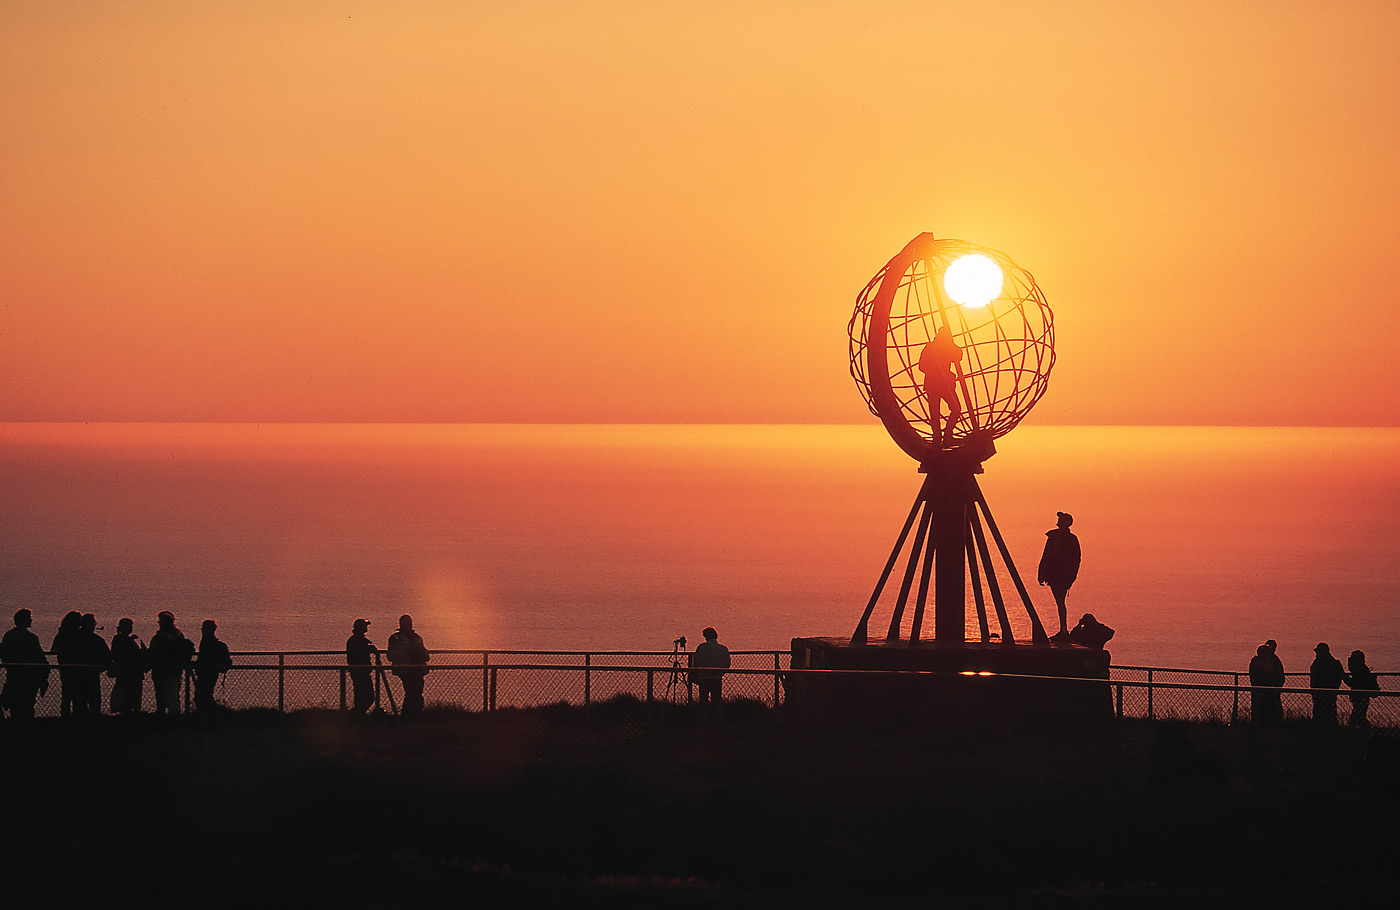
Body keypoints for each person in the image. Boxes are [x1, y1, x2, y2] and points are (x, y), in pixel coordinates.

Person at [1038, 512, 1081, 639]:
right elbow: (1046, 556)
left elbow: (1075, 560)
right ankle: (1063, 629)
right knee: (1059, 601)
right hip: (1053, 573)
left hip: (1062, 575)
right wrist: (1041, 573)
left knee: (1060, 602)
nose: (1058, 520)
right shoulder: (1053, 537)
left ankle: (1063, 630)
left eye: (1060, 519)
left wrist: (1070, 577)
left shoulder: (1071, 539)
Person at [0, 608, 50, 720]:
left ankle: (16, 730)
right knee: (27, 706)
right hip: (29, 679)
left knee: (15, 707)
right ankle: (27, 731)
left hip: (13, 676)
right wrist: (44, 674)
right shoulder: (31, 638)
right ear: (24, 620)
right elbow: (40, 658)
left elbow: (5, 654)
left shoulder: (8, 635)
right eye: (29, 618)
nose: (31, 620)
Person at [918, 326, 963, 447]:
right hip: (937, 385)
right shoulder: (932, 348)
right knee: (947, 410)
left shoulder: (946, 348)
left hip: (941, 385)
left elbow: (958, 356)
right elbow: (922, 366)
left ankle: (944, 436)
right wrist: (937, 372)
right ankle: (940, 437)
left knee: (954, 409)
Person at [148, 611, 194, 715]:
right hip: (173, 671)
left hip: (163, 671)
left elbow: (154, 653)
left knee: (164, 697)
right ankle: (173, 718)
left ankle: (168, 718)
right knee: (172, 696)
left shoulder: (160, 638)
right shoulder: (178, 636)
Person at [386, 614, 430, 718]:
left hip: (418, 669)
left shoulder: (417, 637)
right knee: (411, 693)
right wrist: (408, 650)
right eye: (405, 622)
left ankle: (415, 716)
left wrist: (421, 653)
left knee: (417, 693)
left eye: (409, 622)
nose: (408, 624)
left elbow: (426, 655)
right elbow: (391, 655)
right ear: (400, 624)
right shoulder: (395, 638)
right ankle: (407, 717)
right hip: (405, 670)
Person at [688, 627, 731, 719]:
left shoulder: (701, 648)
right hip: (717, 677)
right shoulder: (723, 649)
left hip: (703, 678)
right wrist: (720, 673)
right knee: (716, 702)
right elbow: (727, 664)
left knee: (703, 701)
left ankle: (703, 721)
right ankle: (718, 721)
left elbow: (696, 662)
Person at [73, 613, 111, 715]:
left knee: (80, 705)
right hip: (90, 676)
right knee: (93, 704)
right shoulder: (97, 640)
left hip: (78, 676)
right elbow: (107, 658)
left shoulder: (73, 638)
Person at [109, 618, 147, 715]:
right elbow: (126, 654)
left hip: (131, 673)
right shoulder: (120, 639)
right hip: (128, 673)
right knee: (128, 698)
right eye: (129, 626)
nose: (130, 628)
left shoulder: (122, 639)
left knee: (131, 698)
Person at [194, 620, 233, 713]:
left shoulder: (207, 641)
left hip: (208, 671)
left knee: (203, 695)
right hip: (208, 671)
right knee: (204, 694)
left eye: (204, 628)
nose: (202, 630)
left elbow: (205, 657)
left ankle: (207, 715)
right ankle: (208, 715)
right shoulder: (206, 641)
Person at [51, 610, 84, 717]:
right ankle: (77, 717)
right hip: (77, 669)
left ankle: (65, 717)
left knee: (66, 694)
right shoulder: (77, 634)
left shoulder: (62, 633)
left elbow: (53, 649)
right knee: (77, 695)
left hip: (65, 668)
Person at [345, 618, 378, 715]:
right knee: (367, 697)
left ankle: (357, 716)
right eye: (364, 625)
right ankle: (355, 716)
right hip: (360, 672)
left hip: (361, 672)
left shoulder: (357, 640)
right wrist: (368, 649)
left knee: (363, 698)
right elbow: (358, 654)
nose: (366, 627)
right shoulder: (356, 640)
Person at [1248, 641, 1285, 725]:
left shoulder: (1270, 661)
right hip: (1262, 691)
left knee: (1268, 711)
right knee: (1262, 711)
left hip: (1268, 691)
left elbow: (1278, 676)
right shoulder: (1258, 663)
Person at [1309, 642, 1345, 726]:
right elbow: (1341, 676)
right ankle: (1330, 729)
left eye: (1317, 652)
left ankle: (1320, 729)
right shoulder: (1335, 663)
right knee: (1330, 712)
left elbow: (1315, 675)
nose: (1316, 654)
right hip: (1331, 693)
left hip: (1319, 693)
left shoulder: (1318, 663)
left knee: (1319, 713)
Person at [1345, 649, 1380, 729]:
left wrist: (1344, 676)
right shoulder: (1361, 669)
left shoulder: (1360, 670)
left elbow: (1354, 682)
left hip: (1360, 696)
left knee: (1357, 716)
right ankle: (1364, 731)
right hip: (1361, 696)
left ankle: (1362, 732)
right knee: (1359, 716)